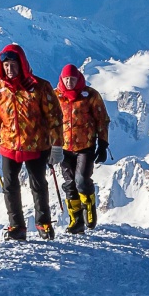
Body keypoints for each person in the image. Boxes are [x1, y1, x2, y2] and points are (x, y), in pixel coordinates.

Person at [0, 44, 64, 241]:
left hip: (37, 146)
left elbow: (54, 117)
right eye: (6, 65)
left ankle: (43, 223)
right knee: (10, 187)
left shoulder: (40, 87)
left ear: (22, 64)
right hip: (8, 146)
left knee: (38, 184)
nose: (9, 69)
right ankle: (16, 226)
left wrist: (57, 146)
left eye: (13, 65)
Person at [54, 64, 111, 234]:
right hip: (63, 147)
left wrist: (103, 143)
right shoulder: (56, 96)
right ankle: (76, 221)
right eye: (66, 79)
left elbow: (102, 119)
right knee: (70, 183)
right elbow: (49, 121)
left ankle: (89, 206)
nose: (69, 82)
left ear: (78, 78)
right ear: (62, 80)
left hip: (85, 146)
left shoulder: (90, 95)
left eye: (72, 79)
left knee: (81, 180)